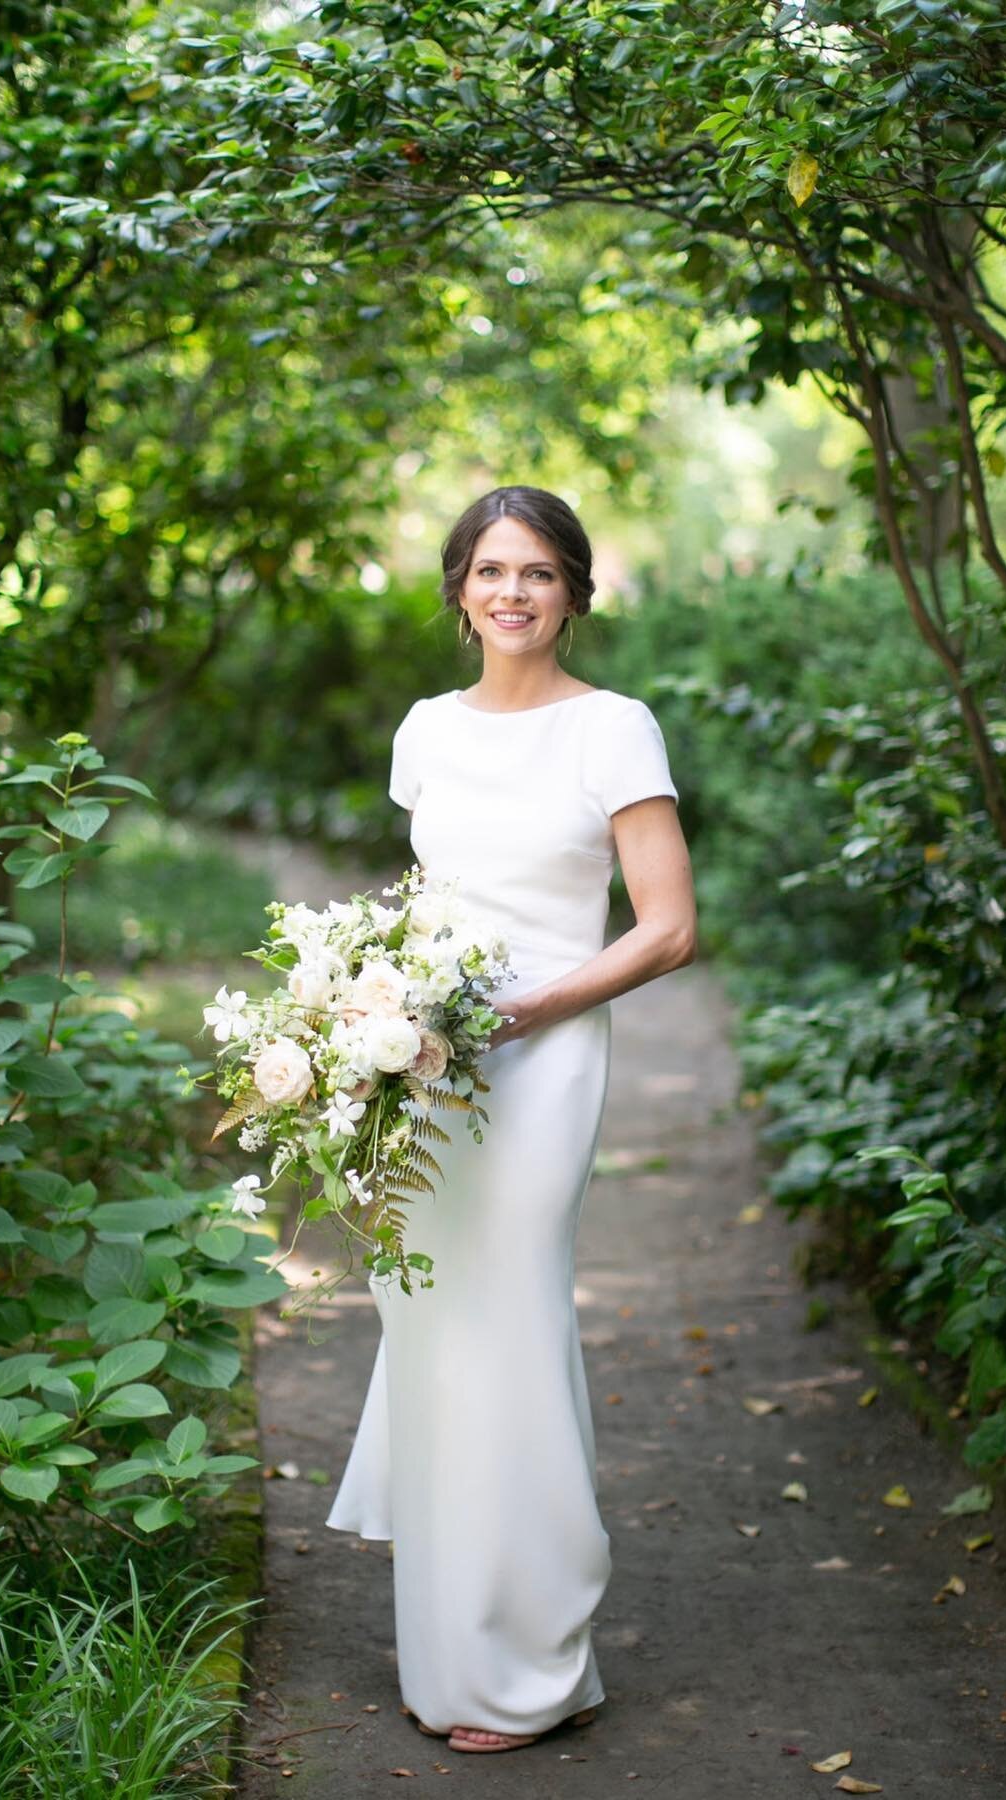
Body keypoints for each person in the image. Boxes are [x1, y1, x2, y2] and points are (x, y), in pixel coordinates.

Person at [326, 485, 697, 1754]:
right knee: (429, 1327)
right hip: (427, 1065)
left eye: (539, 572)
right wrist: (363, 1006)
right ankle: (451, 1655)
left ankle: (536, 1664)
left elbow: (668, 927)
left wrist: (533, 1010)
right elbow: (431, 899)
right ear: (459, 588)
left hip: (543, 1060)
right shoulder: (426, 729)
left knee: (514, 1328)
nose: (514, 592)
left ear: (575, 592)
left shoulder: (615, 729)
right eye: (491, 569)